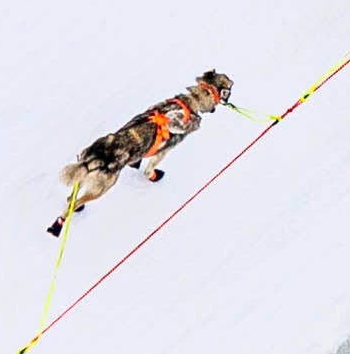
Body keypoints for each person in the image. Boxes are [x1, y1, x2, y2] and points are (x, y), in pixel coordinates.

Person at [50, 71, 235, 236]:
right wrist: (193, 124)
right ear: (210, 93)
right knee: (102, 183)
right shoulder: (187, 120)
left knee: (95, 161)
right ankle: (74, 205)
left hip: (106, 143)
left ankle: (85, 175)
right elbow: (170, 130)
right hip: (116, 161)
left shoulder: (171, 103)